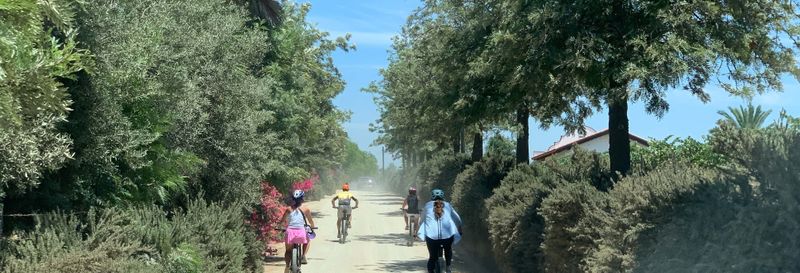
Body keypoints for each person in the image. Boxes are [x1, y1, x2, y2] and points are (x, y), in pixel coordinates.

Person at [417, 189, 462, 273]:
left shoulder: (427, 206)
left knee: (432, 257)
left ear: (432, 197)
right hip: (447, 237)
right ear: (443, 197)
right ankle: (448, 267)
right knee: (448, 250)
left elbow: (421, 221)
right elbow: (458, 219)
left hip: (431, 238)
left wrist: (419, 230)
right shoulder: (448, 205)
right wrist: (459, 229)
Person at [279, 190, 316, 270]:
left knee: (288, 251)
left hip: (290, 233)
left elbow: (281, 222)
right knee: (307, 240)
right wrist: (312, 227)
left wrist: (280, 227)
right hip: (301, 233)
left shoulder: (288, 209)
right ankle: (303, 256)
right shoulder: (306, 209)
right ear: (302, 199)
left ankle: (287, 266)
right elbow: (310, 221)